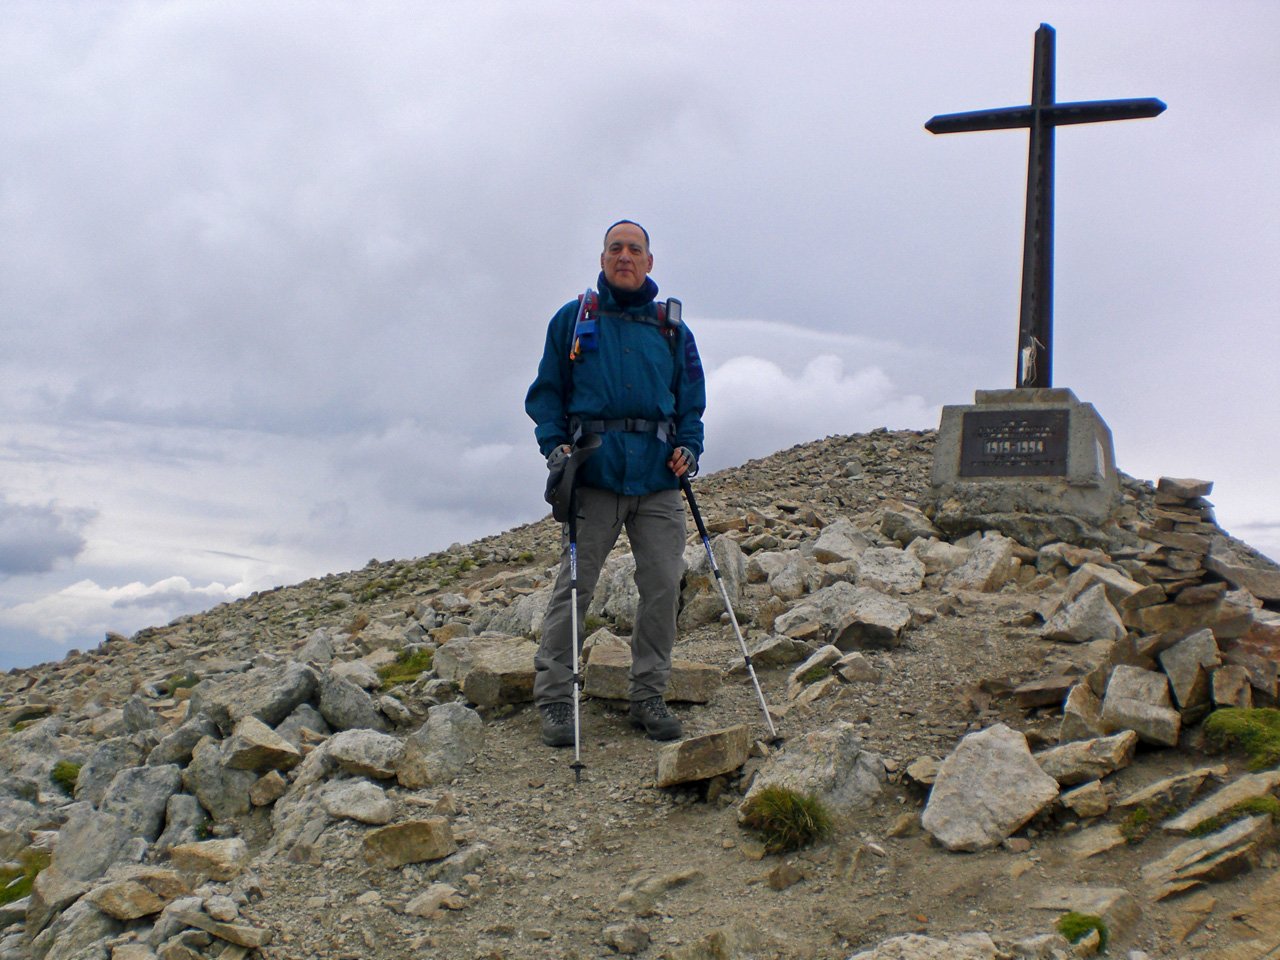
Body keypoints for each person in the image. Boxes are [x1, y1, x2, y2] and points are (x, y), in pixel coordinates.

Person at [525, 220, 706, 746]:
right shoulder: (573, 319)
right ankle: (556, 700)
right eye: (615, 248)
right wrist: (556, 449)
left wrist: (689, 448)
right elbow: (546, 394)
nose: (624, 256)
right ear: (602, 258)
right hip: (594, 477)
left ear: (650, 261)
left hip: (658, 481)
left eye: (635, 249)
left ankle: (648, 694)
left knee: (661, 587)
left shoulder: (672, 330)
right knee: (575, 589)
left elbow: (691, 400)